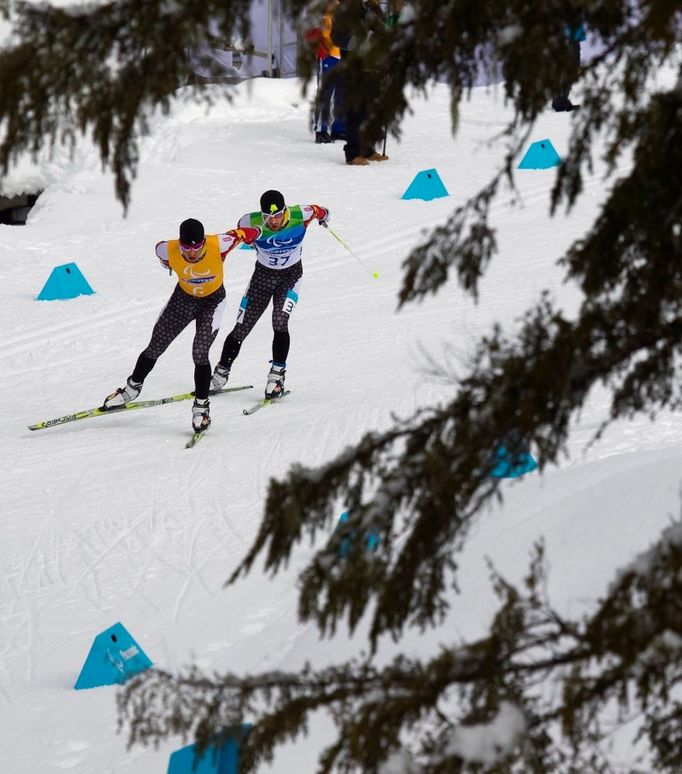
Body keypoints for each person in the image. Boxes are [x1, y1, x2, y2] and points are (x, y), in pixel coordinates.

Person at [102, 218, 260, 432]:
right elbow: (159, 252)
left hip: (212, 303)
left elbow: (247, 233)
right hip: (183, 299)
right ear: (180, 244)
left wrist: (259, 232)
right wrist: (168, 264)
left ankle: (201, 409)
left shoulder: (220, 243)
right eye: (187, 248)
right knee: (156, 346)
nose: (192, 253)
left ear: (204, 242)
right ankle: (131, 389)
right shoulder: (166, 249)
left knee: (200, 353)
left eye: (197, 247)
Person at [210, 190, 330, 399]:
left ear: (285, 211)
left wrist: (324, 217)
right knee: (241, 327)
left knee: (279, 322)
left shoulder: (301, 214)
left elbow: (322, 211)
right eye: (268, 217)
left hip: (290, 278)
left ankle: (276, 377)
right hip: (262, 279)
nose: (273, 221)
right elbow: (241, 238)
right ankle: (221, 373)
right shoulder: (249, 221)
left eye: (277, 215)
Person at [331, 0, 389, 165]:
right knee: (356, 111)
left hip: (372, 66)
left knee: (370, 109)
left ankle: (368, 148)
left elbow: (382, 26)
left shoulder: (370, 7)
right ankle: (353, 152)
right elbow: (337, 37)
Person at [313, 0, 345, 143]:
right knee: (326, 93)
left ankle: (338, 128)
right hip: (327, 56)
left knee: (341, 93)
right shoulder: (324, 14)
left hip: (342, 55)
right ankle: (321, 130)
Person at [552, 22, 585, 112]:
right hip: (566, 34)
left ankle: (561, 99)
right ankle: (560, 100)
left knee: (573, 67)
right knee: (569, 67)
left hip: (572, 33)